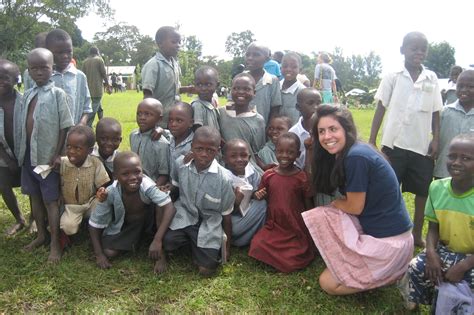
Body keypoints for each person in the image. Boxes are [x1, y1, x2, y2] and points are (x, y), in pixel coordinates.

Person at [302, 105, 414, 295]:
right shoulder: (353, 151)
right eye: (321, 131)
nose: (327, 137)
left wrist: (336, 203)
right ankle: (385, 268)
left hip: (390, 244)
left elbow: (354, 207)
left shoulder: (356, 157)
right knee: (324, 214)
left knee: (328, 283)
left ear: (346, 129)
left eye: (333, 129)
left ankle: (394, 273)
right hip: (391, 236)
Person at [369, 31, 442, 247]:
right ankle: (387, 232)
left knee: (422, 192)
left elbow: (436, 112)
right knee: (389, 188)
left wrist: (436, 138)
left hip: (421, 147)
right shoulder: (393, 75)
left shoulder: (432, 78)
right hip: (394, 144)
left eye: (423, 48)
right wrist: (373, 141)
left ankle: (416, 234)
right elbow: (381, 106)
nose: (418, 52)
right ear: (402, 50)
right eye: (413, 48)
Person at [17, 48, 74, 263]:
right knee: (34, 196)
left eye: (44, 67)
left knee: (51, 200)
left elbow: (65, 127)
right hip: (28, 156)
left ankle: (54, 243)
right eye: (34, 68)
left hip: (47, 158)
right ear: (28, 70)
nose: (39, 72)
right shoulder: (29, 94)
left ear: (52, 68)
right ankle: (41, 234)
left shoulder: (58, 94)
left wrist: (59, 154)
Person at [405, 134, 474, 311]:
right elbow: (433, 228)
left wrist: (463, 266)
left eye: (466, 158)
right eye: (452, 156)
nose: (456, 162)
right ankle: (426, 300)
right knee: (416, 267)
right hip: (446, 250)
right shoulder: (437, 188)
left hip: (472, 257)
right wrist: (431, 253)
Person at [162, 127, 235, 276]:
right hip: (185, 215)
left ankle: (199, 246)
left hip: (209, 223)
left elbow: (227, 215)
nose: (203, 154)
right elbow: (175, 190)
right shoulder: (180, 164)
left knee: (206, 270)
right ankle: (190, 243)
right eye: (199, 148)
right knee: (168, 242)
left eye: (210, 150)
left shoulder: (224, 179)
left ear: (217, 150)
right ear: (191, 147)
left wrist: (226, 247)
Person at [88, 151, 176, 274]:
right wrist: (99, 254)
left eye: (137, 172)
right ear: (115, 176)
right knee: (109, 252)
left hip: (150, 223)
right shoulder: (110, 192)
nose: (133, 177)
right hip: (130, 226)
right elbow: (94, 224)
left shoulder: (146, 185)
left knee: (160, 205)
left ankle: (160, 253)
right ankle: (138, 241)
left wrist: (157, 240)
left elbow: (170, 207)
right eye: (125, 174)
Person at [249, 132, 315, 273]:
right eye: (280, 151)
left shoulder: (301, 177)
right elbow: (260, 194)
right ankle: (278, 258)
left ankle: (284, 259)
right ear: (275, 152)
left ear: (297, 154)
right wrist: (258, 195)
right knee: (257, 244)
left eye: (290, 152)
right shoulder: (269, 175)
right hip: (275, 224)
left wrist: (309, 225)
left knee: (296, 255)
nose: (284, 156)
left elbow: (307, 201)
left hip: (294, 225)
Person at [59, 125, 110, 240]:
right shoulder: (62, 163)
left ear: (90, 150)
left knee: (103, 207)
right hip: (71, 207)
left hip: (90, 203)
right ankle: (73, 228)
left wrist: (101, 191)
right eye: (68, 146)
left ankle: (93, 227)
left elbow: (102, 183)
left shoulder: (95, 163)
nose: (71, 151)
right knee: (68, 228)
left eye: (77, 148)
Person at [141, 26, 193, 128]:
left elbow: (173, 90)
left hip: (174, 118)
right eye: (174, 42)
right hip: (160, 120)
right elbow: (147, 95)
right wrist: (152, 121)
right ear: (160, 43)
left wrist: (188, 89)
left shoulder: (175, 64)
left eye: (179, 42)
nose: (178, 45)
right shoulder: (154, 65)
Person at [222, 139, 266, 247]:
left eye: (243, 155)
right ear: (224, 159)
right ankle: (241, 240)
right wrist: (236, 202)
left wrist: (256, 194)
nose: (239, 160)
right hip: (231, 217)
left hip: (248, 211)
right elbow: (224, 212)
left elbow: (255, 191)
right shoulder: (223, 177)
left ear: (249, 158)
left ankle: (255, 235)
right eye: (233, 156)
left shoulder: (251, 172)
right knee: (235, 230)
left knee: (263, 204)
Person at [218, 73, 265, 171]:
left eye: (247, 89)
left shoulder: (258, 120)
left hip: (247, 169)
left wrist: (264, 168)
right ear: (231, 91)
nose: (240, 92)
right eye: (236, 88)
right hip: (224, 168)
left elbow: (256, 152)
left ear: (254, 92)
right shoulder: (220, 113)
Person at [0, 59, 26, 235]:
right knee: (3, 184)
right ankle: (19, 219)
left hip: (26, 153)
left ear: (16, 79)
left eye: (4, 78)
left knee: (34, 187)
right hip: (3, 155)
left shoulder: (25, 103)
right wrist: (7, 159)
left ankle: (35, 219)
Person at [46, 29, 92, 126]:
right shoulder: (44, 77)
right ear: (48, 52)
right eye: (59, 53)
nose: (65, 56)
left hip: (73, 133)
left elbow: (87, 107)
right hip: (51, 133)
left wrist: (82, 123)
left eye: (69, 51)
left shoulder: (79, 76)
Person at [434, 70, 474, 179]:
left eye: (470, 87)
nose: (464, 90)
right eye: (460, 86)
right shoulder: (445, 112)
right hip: (443, 172)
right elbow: (435, 139)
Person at [130, 98, 169, 186]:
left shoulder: (162, 144)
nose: (142, 118)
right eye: (139, 114)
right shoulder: (133, 135)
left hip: (152, 185)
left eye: (148, 114)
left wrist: (153, 191)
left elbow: (164, 174)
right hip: (133, 182)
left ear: (159, 119)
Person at [245, 42, 282, 124]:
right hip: (240, 128)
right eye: (247, 55)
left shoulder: (272, 80)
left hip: (262, 130)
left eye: (256, 55)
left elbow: (275, 108)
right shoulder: (240, 78)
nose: (250, 58)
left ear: (267, 59)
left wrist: (269, 128)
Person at [289, 88, 322, 169]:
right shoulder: (293, 133)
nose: (316, 107)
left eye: (319, 103)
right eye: (310, 103)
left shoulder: (325, 129)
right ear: (298, 107)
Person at [82, 46, 109, 127]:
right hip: (97, 89)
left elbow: (83, 75)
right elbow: (103, 73)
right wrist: (107, 84)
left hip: (88, 89)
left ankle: (102, 123)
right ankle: (87, 125)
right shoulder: (99, 60)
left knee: (99, 107)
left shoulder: (85, 61)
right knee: (93, 109)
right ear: (97, 52)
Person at [91, 117, 122, 183]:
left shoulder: (121, 160)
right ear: (96, 138)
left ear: (120, 140)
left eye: (115, 140)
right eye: (104, 139)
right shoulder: (89, 156)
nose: (109, 143)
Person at [280, 52, 307, 124]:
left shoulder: (303, 92)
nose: (288, 69)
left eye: (294, 67)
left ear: (300, 70)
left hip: (293, 134)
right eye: (285, 66)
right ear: (280, 68)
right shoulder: (275, 87)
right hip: (274, 133)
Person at [168, 101, 194, 175]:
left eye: (179, 121)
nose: (173, 124)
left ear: (191, 123)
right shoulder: (168, 137)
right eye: (170, 120)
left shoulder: (194, 145)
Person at [191, 66, 220, 132]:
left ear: (217, 85)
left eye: (208, 84)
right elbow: (198, 131)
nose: (203, 88)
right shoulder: (198, 105)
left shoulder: (213, 101)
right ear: (194, 85)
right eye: (199, 84)